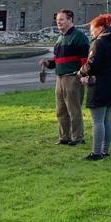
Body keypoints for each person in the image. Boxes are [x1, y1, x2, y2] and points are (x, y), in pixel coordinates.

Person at [41, 9, 89, 146]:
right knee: (61, 110)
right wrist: (48, 63)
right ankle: (64, 137)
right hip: (60, 78)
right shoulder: (60, 37)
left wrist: (83, 76)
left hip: (73, 78)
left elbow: (84, 60)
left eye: (61, 19)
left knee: (74, 110)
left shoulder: (79, 37)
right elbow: (57, 60)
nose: (58, 22)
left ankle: (77, 138)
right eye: (57, 20)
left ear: (70, 19)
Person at [79, 13, 111, 160]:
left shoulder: (99, 42)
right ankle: (105, 150)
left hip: (100, 84)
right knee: (107, 119)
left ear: (101, 28)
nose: (92, 32)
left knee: (97, 121)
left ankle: (96, 153)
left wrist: (81, 72)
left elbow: (92, 65)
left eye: (93, 28)